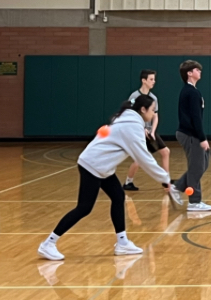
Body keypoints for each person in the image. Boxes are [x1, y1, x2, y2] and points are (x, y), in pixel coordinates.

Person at [38, 94, 173, 261]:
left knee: (118, 196)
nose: (153, 114)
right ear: (143, 110)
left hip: (103, 167)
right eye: (152, 110)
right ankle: (48, 243)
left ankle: (122, 242)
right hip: (93, 165)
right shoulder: (132, 126)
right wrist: (165, 178)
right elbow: (144, 158)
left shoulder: (128, 119)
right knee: (84, 208)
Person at [123, 69, 170, 191]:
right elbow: (130, 114)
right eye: (151, 79)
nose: (154, 81)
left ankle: (166, 182)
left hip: (149, 131)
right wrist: (142, 128)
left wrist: (153, 131)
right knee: (140, 159)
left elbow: (155, 115)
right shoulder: (134, 96)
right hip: (138, 131)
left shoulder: (153, 98)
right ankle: (128, 182)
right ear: (144, 80)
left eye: (154, 79)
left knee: (165, 152)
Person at [175, 59, 211, 212]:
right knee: (197, 166)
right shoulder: (191, 92)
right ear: (189, 73)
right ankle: (194, 202)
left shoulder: (192, 91)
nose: (200, 72)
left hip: (191, 133)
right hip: (190, 134)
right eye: (197, 70)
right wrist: (202, 138)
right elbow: (195, 118)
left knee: (203, 164)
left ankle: (177, 187)